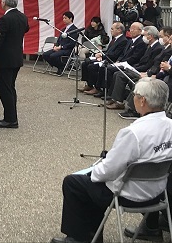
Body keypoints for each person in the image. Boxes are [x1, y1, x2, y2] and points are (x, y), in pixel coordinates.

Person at [51, 77, 172, 243]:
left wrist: (92, 175)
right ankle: (151, 228)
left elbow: (109, 170)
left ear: (142, 101)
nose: (133, 98)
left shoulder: (133, 132)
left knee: (74, 183)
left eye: (135, 94)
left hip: (130, 195)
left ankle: (81, 238)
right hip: (157, 192)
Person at [0, 0, 29, 129]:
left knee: (5, 89)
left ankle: (10, 119)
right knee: (10, 88)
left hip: (4, 60)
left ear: (4, 3)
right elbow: (26, 29)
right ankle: (11, 117)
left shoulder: (5, 19)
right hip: (16, 58)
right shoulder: (22, 17)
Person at [105, 25, 163, 110]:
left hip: (146, 72)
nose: (143, 38)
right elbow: (142, 62)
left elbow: (149, 65)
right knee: (118, 73)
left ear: (150, 36)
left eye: (144, 35)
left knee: (120, 75)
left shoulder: (157, 48)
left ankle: (120, 102)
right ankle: (115, 98)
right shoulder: (150, 46)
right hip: (141, 69)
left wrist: (135, 69)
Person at [79, 22, 127, 93]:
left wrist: (102, 56)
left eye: (112, 29)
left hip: (111, 60)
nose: (111, 31)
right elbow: (108, 51)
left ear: (119, 30)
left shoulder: (123, 41)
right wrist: (100, 54)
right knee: (85, 62)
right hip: (105, 57)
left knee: (92, 66)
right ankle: (89, 84)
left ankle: (97, 87)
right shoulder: (114, 39)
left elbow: (115, 54)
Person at [43, 11, 77, 76]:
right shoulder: (63, 29)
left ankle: (61, 67)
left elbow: (72, 43)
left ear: (71, 19)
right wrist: (56, 46)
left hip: (67, 49)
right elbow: (59, 40)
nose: (63, 20)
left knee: (53, 56)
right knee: (45, 55)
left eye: (65, 18)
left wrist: (61, 47)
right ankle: (60, 66)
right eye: (63, 18)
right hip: (59, 48)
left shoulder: (74, 30)